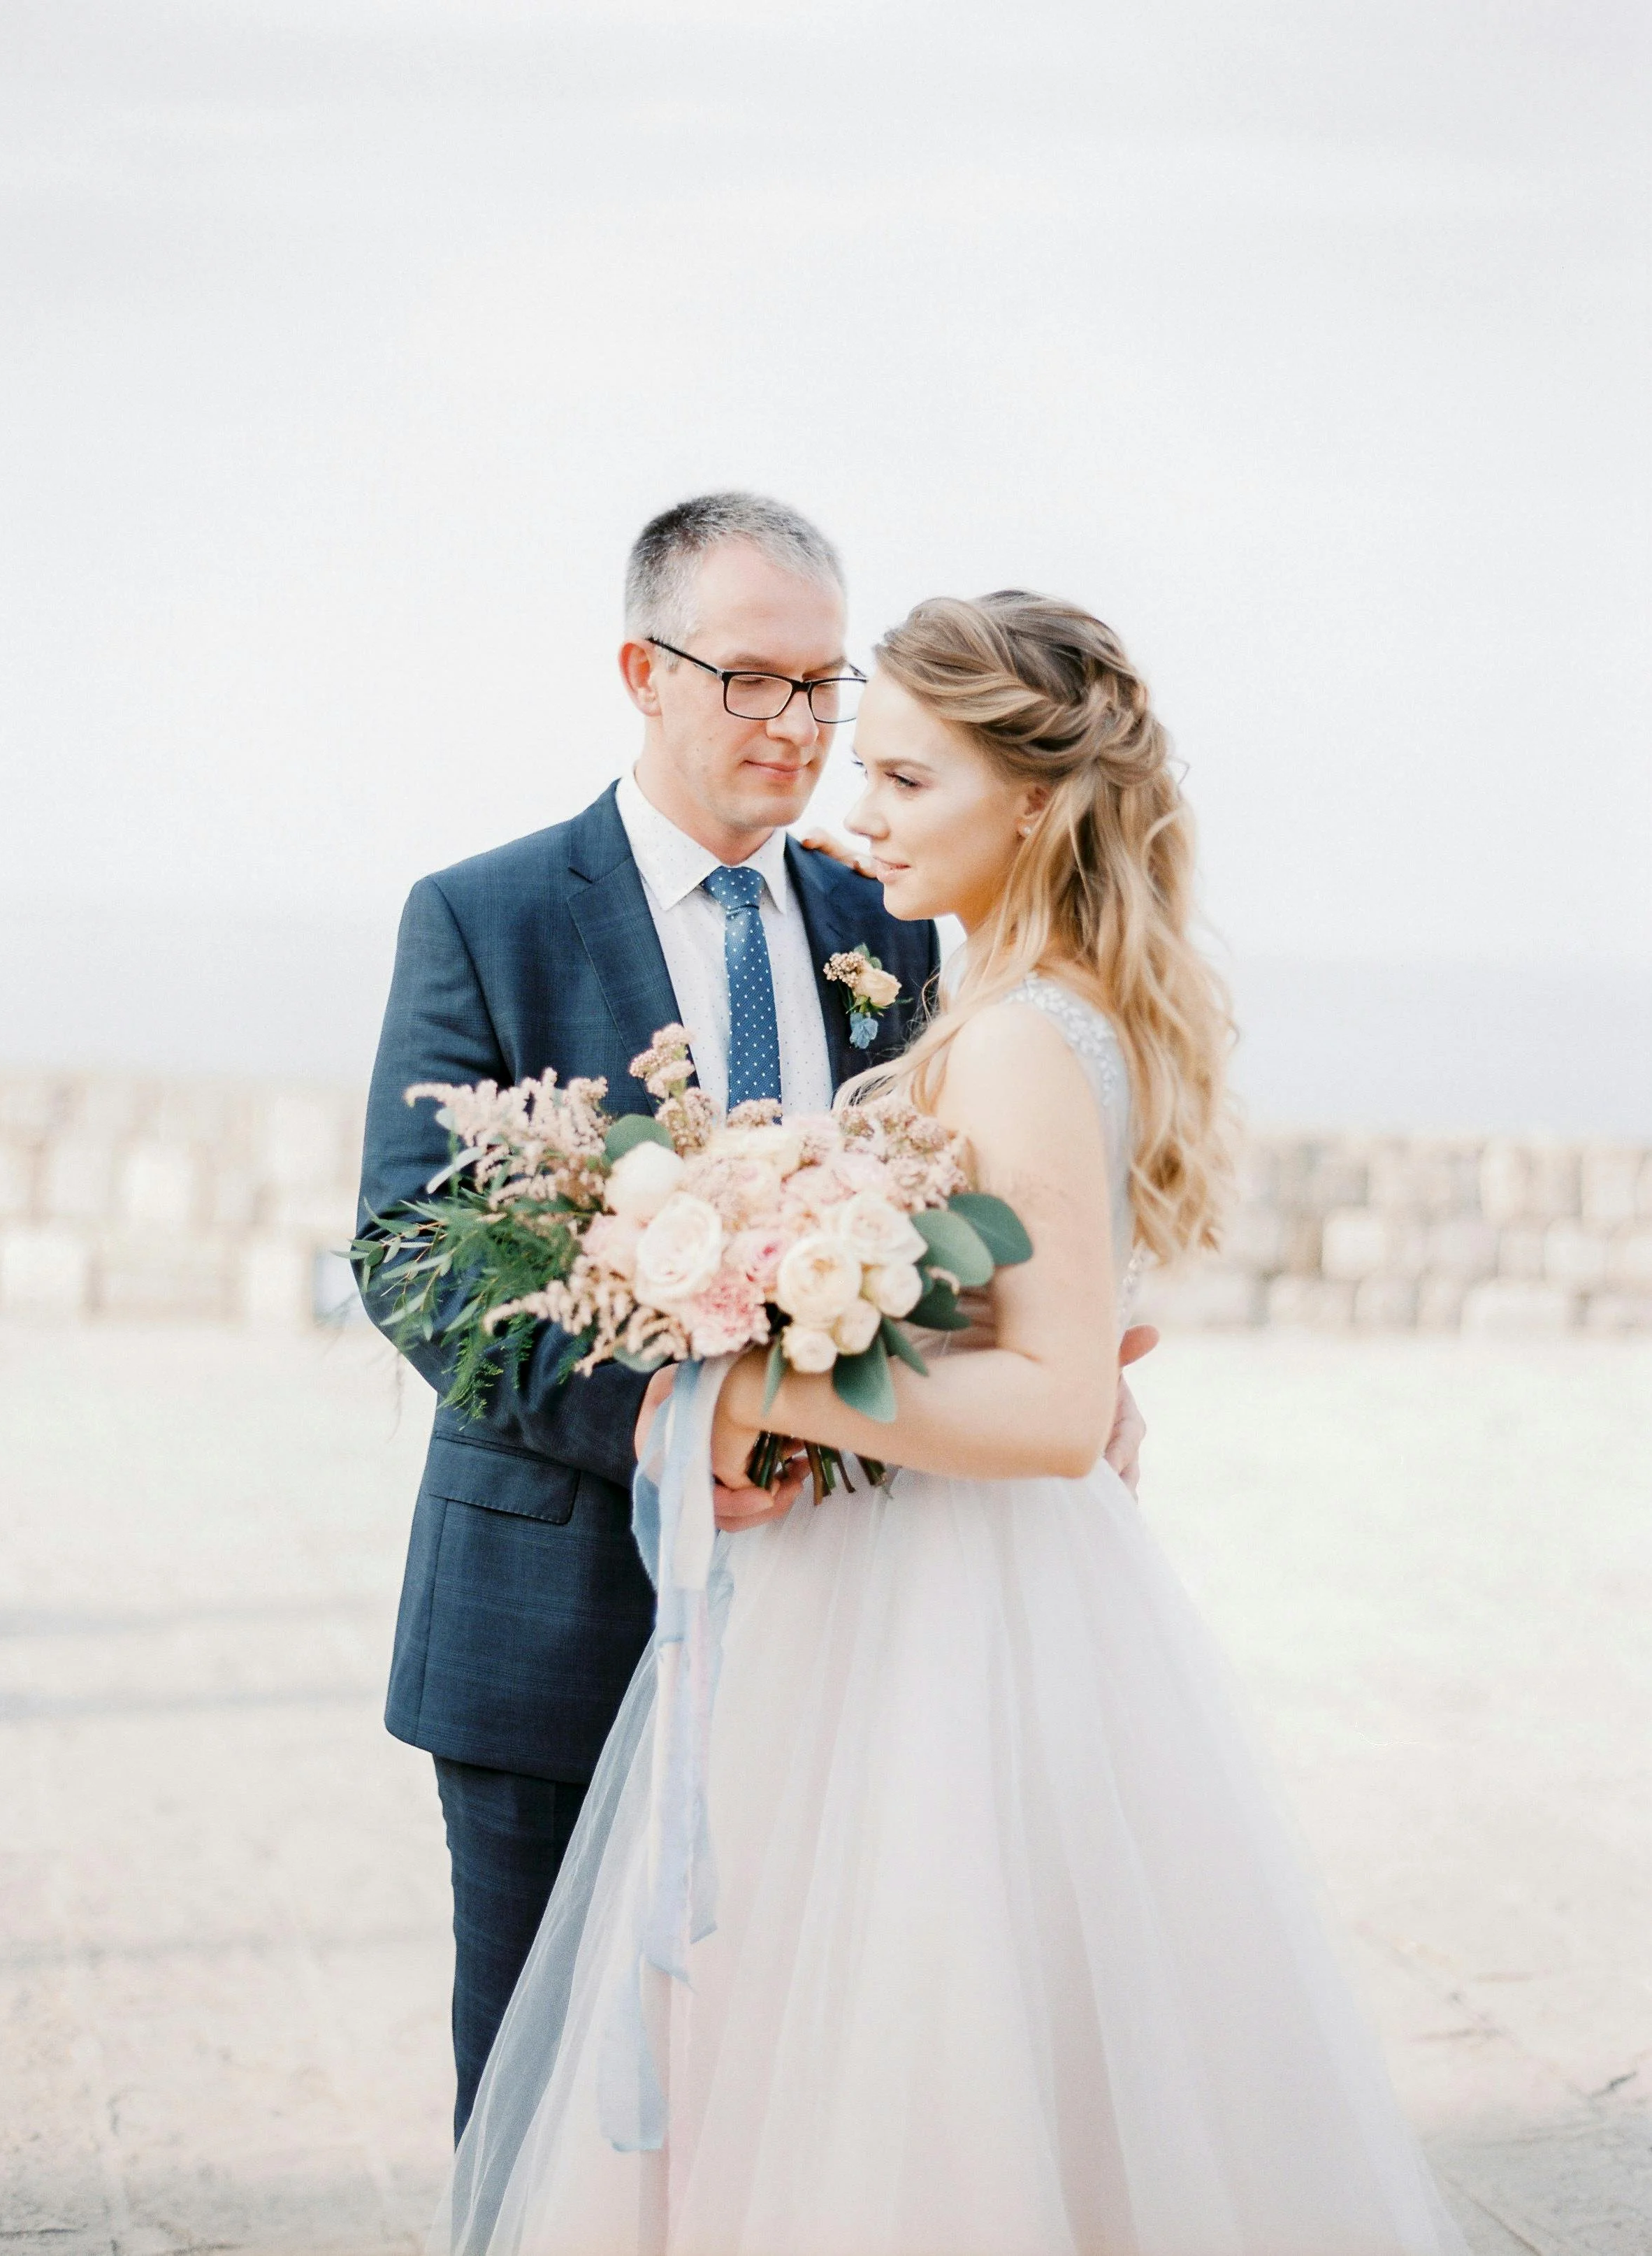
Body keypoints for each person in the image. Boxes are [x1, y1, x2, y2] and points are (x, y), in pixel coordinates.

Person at [433, 591, 1470, 2253]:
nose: (857, 813)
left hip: (937, 1623)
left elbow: (1057, 1405)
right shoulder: (1027, 1003)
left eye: (907, 781)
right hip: (923, 1589)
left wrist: (736, 1378)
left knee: (910, 2044)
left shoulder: (1011, 1037)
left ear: (1037, 800)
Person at [358, 497, 1151, 2143]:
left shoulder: (893, 917)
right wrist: (667, 1420)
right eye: (752, 682)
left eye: (824, 689)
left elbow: (978, 1202)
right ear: (643, 673)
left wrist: (1054, 1359)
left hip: (851, 1623)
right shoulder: (483, 914)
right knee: (536, 2111)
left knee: (795, 2102)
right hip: (556, 1611)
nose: (798, 729)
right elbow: (411, 1250)